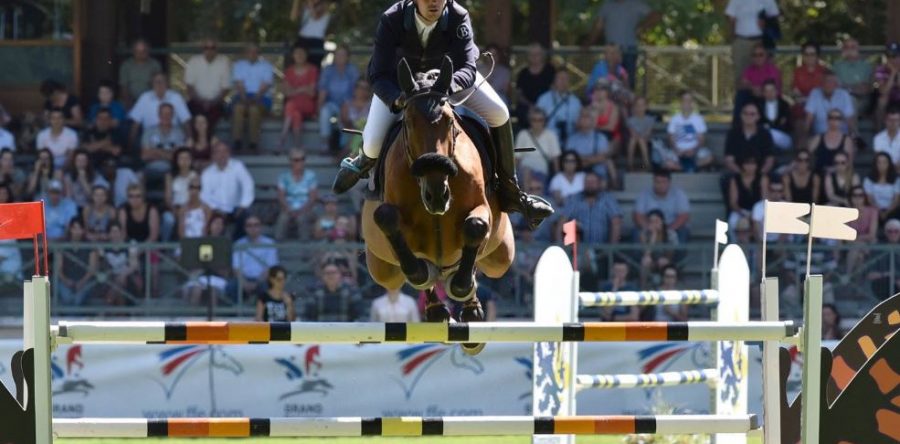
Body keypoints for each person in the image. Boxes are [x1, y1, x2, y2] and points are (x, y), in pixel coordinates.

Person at [332, 0, 553, 226]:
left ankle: (511, 190)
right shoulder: (392, 18)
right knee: (372, 144)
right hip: (404, 89)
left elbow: (468, 67)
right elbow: (378, 73)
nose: (434, 2)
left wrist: (447, 87)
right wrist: (395, 98)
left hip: (447, 84)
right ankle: (361, 163)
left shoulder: (457, 16)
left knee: (500, 112)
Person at [584, 0, 655, 88]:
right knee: (608, 82)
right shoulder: (607, 5)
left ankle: (627, 100)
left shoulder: (636, 3)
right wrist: (589, 42)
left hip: (629, 52)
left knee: (628, 82)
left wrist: (642, 27)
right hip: (611, 53)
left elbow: (656, 15)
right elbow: (599, 25)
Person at [200, 141, 255, 239]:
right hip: (215, 210)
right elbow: (205, 196)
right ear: (213, 155)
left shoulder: (238, 166)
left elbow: (248, 186)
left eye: (224, 151)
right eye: (218, 152)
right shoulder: (207, 173)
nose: (222, 155)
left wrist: (242, 206)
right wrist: (216, 209)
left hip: (236, 209)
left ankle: (238, 245)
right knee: (207, 217)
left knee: (246, 215)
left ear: (229, 153)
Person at [231, 42, 274, 153]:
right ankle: (237, 142)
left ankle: (253, 144)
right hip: (243, 96)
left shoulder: (267, 66)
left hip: (261, 98)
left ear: (259, 53)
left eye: (255, 51)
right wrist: (244, 99)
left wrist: (255, 99)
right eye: (250, 51)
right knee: (238, 108)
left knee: (254, 109)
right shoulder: (238, 65)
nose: (252, 54)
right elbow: (239, 85)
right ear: (245, 53)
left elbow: (265, 86)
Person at [725, 0, 779, 87]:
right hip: (742, 40)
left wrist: (766, 23)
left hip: (762, 41)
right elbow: (731, 19)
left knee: (766, 73)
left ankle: (765, 98)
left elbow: (774, 18)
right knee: (741, 75)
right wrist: (733, 38)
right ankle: (743, 98)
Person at [559, 171, 622, 244]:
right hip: (578, 250)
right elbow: (562, 221)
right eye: (587, 181)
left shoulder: (608, 199)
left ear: (599, 184)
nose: (590, 184)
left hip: (602, 249)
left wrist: (612, 249)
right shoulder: (574, 199)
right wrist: (560, 247)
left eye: (593, 182)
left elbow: (616, 222)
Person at [128, 73, 192, 144]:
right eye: (156, 82)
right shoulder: (144, 98)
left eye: (162, 81)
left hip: (173, 134)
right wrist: (130, 143)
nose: (159, 84)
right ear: (152, 84)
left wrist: (190, 140)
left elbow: (186, 121)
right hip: (151, 135)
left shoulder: (176, 97)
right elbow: (135, 123)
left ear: (167, 83)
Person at [318, 45, 359, 150]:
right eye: (338, 54)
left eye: (343, 54)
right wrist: (319, 108)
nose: (340, 57)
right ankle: (324, 143)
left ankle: (344, 147)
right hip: (332, 104)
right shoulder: (328, 70)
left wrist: (351, 106)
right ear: (334, 56)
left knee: (349, 117)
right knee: (324, 111)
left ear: (347, 57)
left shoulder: (353, 70)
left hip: (349, 104)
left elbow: (357, 91)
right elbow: (323, 91)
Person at [184, 38, 230, 130]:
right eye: (206, 47)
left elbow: (226, 88)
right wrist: (201, 101)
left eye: (212, 47)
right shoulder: (194, 61)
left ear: (216, 49)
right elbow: (189, 87)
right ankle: (195, 143)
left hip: (216, 102)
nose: (209, 50)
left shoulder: (224, 62)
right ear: (202, 49)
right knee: (192, 116)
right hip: (197, 101)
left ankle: (207, 143)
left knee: (211, 118)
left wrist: (213, 102)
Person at [633, 169, 690, 242]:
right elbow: (638, 215)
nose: (660, 185)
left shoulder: (679, 194)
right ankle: (645, 253)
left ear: (669, 182)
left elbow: (684, 216)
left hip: (673, 227)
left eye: (663, 182)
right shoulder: (644, 193)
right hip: (650, 226)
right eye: (657, 182)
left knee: (683, 232)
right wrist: (648, 227)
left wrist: (668, 230)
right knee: (636, 232)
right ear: (653, 182)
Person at [275, 148, 319, 241]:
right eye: (296, 160)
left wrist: (302, 210)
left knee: (302, 218)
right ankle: (278, 246)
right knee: (283, 218)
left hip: (306, 208)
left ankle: (305, 249)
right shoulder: (283, 176)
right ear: (290, 161)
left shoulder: (311, 175)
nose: (300, 162)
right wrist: (289, 209)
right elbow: (281, 196)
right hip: (288, 207)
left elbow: (312, 197)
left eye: (302, 159)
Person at [280, 46, 319, 149]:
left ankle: (282, 138)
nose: (300, 56)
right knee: (295, 114)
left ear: (306, 55)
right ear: (293, 55)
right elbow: (286, 93)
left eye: (302, 53)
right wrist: (303, 89)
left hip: (308, 105)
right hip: (294, 106)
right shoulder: (288, 71)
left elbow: (311, 93)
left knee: (290, 105)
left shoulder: (312, 70)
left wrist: (295, 90)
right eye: (297, 53)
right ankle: (298, 144)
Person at [232, 215, 279, 298]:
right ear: (245, 228)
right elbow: (236, 268)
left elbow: (270, 268)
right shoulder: (238, 244)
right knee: (231, 287)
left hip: (262, 279)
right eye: (249, 225)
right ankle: (237, 310)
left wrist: (257, 283)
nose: (252, 228)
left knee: (267, 287)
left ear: (260, 227)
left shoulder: (270, 243)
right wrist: (244, 283)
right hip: (243, 279)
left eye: (256, 225)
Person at [724, 101, 775, 176]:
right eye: (745, 113)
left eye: (752, 114)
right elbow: (729, 160)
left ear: (758, 116)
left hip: (761, 173)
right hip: (739, 173)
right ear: (741, 115)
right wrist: (742, 175)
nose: (748, 116)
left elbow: (769, 159)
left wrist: (759, 175)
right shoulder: (733, 133)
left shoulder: (765, 134)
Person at [55, 219, 98, 306]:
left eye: (79, 228)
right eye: (74, 228)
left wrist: (82, 282)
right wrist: (66, 281)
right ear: (70, 229)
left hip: (85, 281)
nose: (77, 231)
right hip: (65, 280)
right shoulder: (62, 244)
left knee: (78, 300)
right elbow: (58, 268)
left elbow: (92, 269)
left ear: (83, 230)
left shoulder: (90, 245)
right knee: (67, 298)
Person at [97, 223, 142, 306]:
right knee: (118, 284)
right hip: (111, 278)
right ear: (109, 234)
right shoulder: (103, 246)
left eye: (117, 231)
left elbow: (134, 265)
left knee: (121, 281)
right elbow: (103, 265)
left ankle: (105, 309)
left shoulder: (130, 243)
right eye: (112, 232)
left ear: (121, 232)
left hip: (130, 277)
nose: (115, 234)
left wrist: (123, 275)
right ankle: (121, 315)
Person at [667, 91, 712, 172]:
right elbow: (671, 138)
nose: (687, 103)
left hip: (694, 151)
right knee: (667, 162)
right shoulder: (674, 119)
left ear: (692, 103)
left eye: (689, 101)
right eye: (684, 100)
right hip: (678, 151)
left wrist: (693, 150)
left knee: (709, 158)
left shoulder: (698, 119)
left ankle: (684, 168)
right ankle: (689, 168)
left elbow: (701, 139)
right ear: (680, 103)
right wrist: (677, 150)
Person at [565, 108, 614, 182]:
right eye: (582, 117)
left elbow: (601, 158)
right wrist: (592, 158)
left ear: (592, 120)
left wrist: (581, 159)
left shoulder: (601, 138)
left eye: (587, 117)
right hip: (577, 175)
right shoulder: (572, 139)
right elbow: (570, 159)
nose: (584, 119)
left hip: (597, 176)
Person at [514, 43, 556, 129]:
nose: (534, 57)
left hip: (547, 104)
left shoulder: (550, 70)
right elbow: (519, 94)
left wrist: (541, 105)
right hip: (527, 106)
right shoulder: (523, 73)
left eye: (537, 54)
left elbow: (554, 89)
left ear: (542, 55)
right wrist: (530, 105)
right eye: (532, 54)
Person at [141, 103, 187, 177]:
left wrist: (155, 151)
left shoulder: (179, 133)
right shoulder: (149, 132)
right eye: (163, 113)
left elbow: (178, 157)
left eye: (169, 114)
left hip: (172, 170)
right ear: (159, 115)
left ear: (172, 115)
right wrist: (168, 154)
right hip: (151, 170)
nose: (166, 116)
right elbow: (144, 156)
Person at [514, 108, 561, 181]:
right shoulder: (523, 134)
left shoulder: (551, 135)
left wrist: (558, 178)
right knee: (526, 171)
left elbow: (555, 159)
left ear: (544, 121)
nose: (537, 122)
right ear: (530, 121)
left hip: (542, 172)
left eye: (540, 120)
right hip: (523, 171)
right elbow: (517, 158)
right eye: (534, 120)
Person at [536, 70, 582, 145]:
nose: (562, 81)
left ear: (569, 82)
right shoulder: (543, 99)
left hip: (569, 141)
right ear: (554, 80)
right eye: (560, 78)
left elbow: (579, 125)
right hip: (547, 140)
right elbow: (536, 120)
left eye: (565, 79)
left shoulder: (576, 102)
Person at [804, 72, 856, 137]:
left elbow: (849, 119)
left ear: (836, 84)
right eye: (826, 81)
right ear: (822, 83)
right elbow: (809, 118)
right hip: (820, 135)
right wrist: (804, 135)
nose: (829, 84)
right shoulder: (815, 93)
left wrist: (853, 136)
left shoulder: (844, 94)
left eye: (832, 82)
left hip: (841, 135)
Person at [163, 148, 199, 240]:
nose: (184, 161)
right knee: (168, 220)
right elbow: (168, 197)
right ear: (176, 160)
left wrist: (185, 210)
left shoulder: (195, 175)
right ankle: (165, 245)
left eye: (187, 158)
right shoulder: (170, 176)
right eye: (181, 158)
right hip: (175, 208)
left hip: (190, 208)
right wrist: (174, 210)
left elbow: (196, 196)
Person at [833, 37, 873, 116]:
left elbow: (865, 89)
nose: (849, 50)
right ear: (843, 50)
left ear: (858, 49)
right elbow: (835, 86)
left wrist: (846, 87)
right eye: (846, 47)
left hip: (861, 100)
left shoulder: (866, 66)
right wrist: (854, 87)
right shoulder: (837, 66)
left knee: (851, 102)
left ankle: (852, 128)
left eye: (853, 47)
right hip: (840, 99)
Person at [809, 109, 855, 174]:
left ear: (842, 121)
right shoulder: (818, 138)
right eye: (831, 117)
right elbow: (806, 155)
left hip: (839, 177)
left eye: (837, 118)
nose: (834, 120)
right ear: (827, 120)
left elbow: (849, 163)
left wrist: (834, 169)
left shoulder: (847, 140)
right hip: (819, 176)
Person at [728, 156, 768, 232]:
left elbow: (764, 199)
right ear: (742, 165)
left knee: (762, 220)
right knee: (732, 221)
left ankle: (760, 241)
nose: (750, 167)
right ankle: (736, 242)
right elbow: (733, 203)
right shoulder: (735, 180)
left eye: (753, 164)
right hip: (741, 210)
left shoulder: (763, 178)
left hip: (758, 210)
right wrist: (744, 213)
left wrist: (755, 213)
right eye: (747, 164)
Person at [118, 39, 162, 107]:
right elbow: (124, 87)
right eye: (138, 51)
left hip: (150, 99)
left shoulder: (154, 65)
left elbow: (158, 85)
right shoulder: (126, 65)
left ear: (148, 51)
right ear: (133, 51)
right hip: (130, 100)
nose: (141, 54)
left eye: (143, 51)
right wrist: (129, 102)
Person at [846, 186, 879, 274]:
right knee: (859, 256)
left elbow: (872, 235)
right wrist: (857, 240)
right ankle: (857, 284)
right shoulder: (847, 212)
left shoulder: (872, 211)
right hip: (852, 245)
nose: (857, 198)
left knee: (857, 250)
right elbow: (845, 235)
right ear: (850, 197)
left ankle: (847, 277)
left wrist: (856, 239)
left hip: (868, 245)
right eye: (854, 195)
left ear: (864, 197)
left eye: (860, 195)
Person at [290, 0, 331, 67]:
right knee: (297, 65)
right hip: (302, 40)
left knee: (314, 66)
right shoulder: (306, 6)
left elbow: (315, 17)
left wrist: (310, 3)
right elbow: (293, 17)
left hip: (316, 41)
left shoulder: (325, 6)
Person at [864, 152, 900, 222]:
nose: (882, 165)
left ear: (889, 164)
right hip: (874, 209)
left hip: (892, 209)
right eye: (879, 162)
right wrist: (879, 211)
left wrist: (887, 212)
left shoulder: (896, 179)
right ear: (875, 164)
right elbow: (870, 199)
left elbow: (896, 200)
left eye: (884, 162)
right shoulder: (869, 179)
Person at [791, 42, 827, 112]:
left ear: (817, 56)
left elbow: (826, 93)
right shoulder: (797, 72)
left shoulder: (824, 71)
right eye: (806, 54)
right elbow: (795, 92)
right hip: (802, 105)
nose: (809, 57)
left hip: (821, 106)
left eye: (812, 54)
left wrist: (808, 100)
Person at [757, 79, 792, 150]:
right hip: (762, 136)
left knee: (767, 133)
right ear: (763, 93)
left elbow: (786, 125)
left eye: (772, 90)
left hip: (782, 137)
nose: (769, 93)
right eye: (766, 91)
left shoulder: (784, 105)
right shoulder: (758, 105)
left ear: (776, 91)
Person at [340, 80, 372, 156]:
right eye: (360, 87)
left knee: (361, 133)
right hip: (348, 134)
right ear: (355, 89)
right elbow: (344, 122)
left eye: (366, 88)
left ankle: (351, 154)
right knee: (359, 133)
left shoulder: (372, 106)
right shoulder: (346, 105)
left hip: (365, 136)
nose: (362, 91)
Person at [177, 176, 212, 241]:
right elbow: (181, 231)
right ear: (188, 189)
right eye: (192, 187)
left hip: (202, 242)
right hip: (187, 243)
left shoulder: (206, 209)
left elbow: (206, 230)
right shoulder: (183, 209)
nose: (194, 190)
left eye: (198, 188)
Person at [875, 42, 900, 126]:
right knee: (882, 100)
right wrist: (893, 73)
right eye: (889, 56)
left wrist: (898, 72)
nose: (892, 59)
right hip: (888, 100)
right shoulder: (880, 69)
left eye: (896, 56)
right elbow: (883, 91)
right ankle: (880, 133)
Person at [626, 96, 654, 170]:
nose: (640, 108)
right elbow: (632, 132)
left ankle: (646, 163)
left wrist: (641, 137)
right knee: (633, 139)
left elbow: (648, 133)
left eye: (642, 105)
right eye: (637, 106)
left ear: (646, 107)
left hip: (647, 142)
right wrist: (638, 137)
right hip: (634, 144)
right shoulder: (630, 120)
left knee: (641, 140)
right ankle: (629, 164)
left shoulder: (650, 119)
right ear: (634, 107)